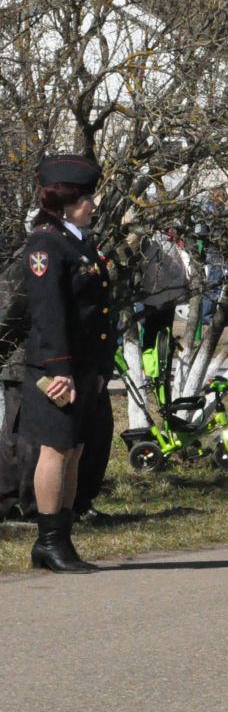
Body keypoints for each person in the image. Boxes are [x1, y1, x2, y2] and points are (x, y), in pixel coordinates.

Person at [18, 155, 114, 573]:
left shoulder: (76, 239)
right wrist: (59, 368)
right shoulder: (46, 243)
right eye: (86, 197)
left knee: (74, 450)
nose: (92, 204)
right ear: (66, 199)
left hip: (84, 365)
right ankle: (48, 541)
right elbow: (49, 310)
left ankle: (63, 539)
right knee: (56, 450)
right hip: (57, 367)